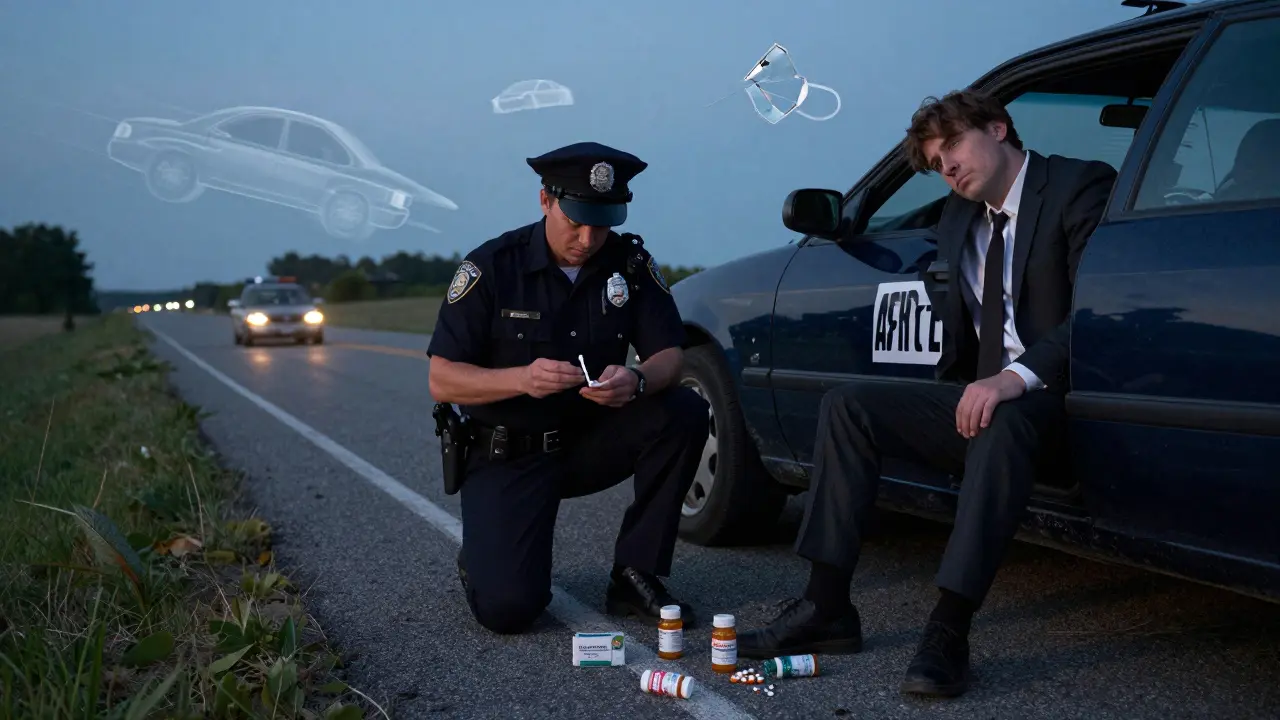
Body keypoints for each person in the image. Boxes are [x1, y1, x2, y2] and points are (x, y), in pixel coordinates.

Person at [736, 89, 1117, 697]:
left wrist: (1014, 377)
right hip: (984, 397)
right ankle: (825, 605)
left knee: (999, 418)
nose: (948, 168)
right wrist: (966, 390)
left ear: (998, 129)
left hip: (1061, 400)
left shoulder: (1078, 187)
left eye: (955, 148)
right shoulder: (959, 217)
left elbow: (1098, 311)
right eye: (937, 164)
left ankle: (949, 629)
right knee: (848, 405)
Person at [426, 141, 710, 635]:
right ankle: (484, 553)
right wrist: (521, 379)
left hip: (589, 442)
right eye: (575, 220)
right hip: (509, 454)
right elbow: (442, 377)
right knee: (510, 610)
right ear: (544, 200)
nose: (587, 237)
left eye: (601, 223)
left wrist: (637, 380)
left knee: (682, 408)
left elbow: (671, 355)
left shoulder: (630, 266)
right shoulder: (493, 266)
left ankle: (634, 573)